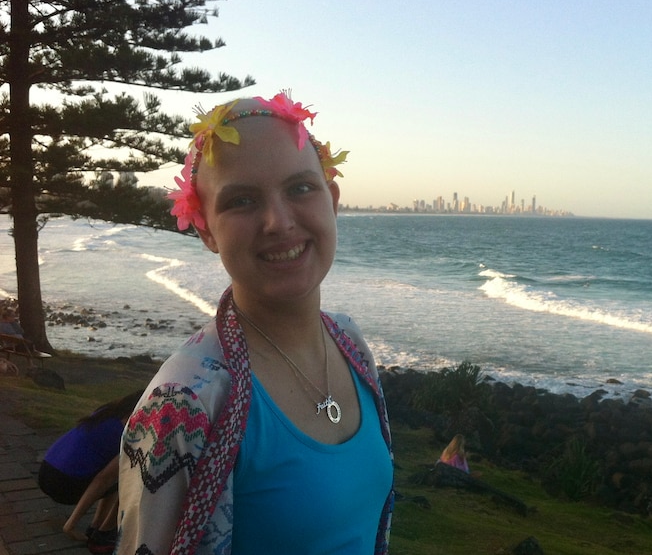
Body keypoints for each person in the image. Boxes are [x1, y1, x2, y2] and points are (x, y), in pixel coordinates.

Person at [116, 90, 394, 555]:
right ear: (205, 229)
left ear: (334, 200)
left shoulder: (349, 342)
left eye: (301, 188)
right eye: (242, 200)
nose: (279, 222)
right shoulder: (180, 407)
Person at [38, 390, 144, 554]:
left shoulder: (107, 411)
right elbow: (103, 479)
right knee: (131, 480)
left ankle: (95, 527)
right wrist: (70, 525)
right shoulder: (131, 430)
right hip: (62, 483)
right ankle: (103, 535)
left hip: (46, 470)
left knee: (116, 475)